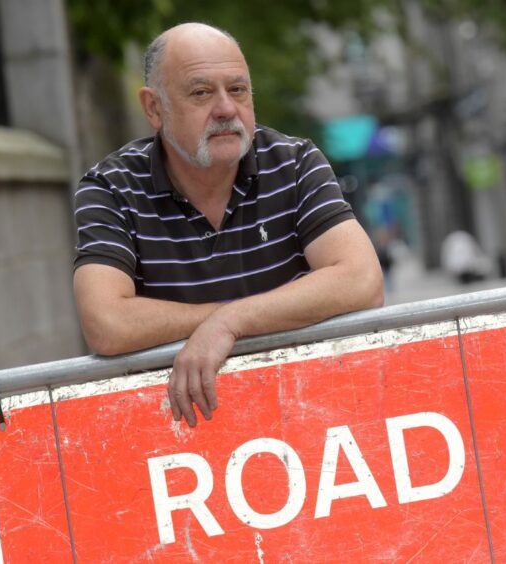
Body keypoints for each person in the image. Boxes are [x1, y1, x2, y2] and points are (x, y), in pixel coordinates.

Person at [72, 23, 384, 427]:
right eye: (201, 93)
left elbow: (362, 280)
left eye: (237, 90)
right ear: (154, 108)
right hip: (182, 442)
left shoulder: (294, 163)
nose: (225, 109)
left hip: (318, 417)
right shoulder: (112, 188)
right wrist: (224, 319)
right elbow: (106, 322)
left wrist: (230, 324)